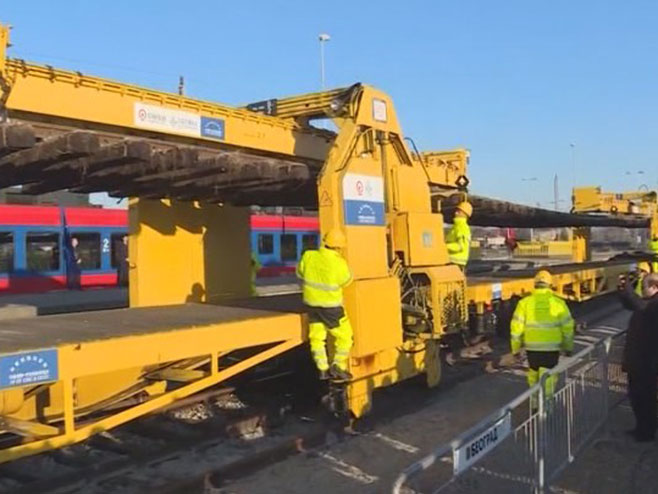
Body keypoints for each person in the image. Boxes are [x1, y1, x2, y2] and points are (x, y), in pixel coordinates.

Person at [510, 270, 575, 409]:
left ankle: (534, 404)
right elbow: (568, 328)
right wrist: (568, 347)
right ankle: (547, 405)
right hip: (551, 349)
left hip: (532, 348)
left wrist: (515, 349)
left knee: (533, 375)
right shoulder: (558, 303)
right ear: (550, 284)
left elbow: (516, 329)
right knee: (549, 377)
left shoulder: (524, 303)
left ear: (535, 284)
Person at [296, 228, 353, 382]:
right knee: (345, 337)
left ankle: (322, 369)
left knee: (316, 337)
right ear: (339, 247)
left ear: (324, 242)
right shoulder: (339, 263)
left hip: (312, 305)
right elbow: (346, 281)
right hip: (331, 308)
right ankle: (338, 366)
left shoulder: (308, 256)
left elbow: (300, 273)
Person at [619, 272, 658, 442]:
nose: (641, 291)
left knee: (644, 398)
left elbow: (638, 305)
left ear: (654, 287)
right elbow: (631, 304)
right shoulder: (650, 303)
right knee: (639, 397)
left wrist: (627, 288)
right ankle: (642, 428)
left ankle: (646, 432)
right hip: (641, 360)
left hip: (647, 362)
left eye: (643, 288)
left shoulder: (654, 304)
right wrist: (624, 289)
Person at [446, 201, 472, 271]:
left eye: (459, 211)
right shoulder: (456, 227)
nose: (456, 213)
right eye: (456, 211)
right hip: (451, 262)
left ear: (465, 214)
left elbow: (461, 246)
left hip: (456, 262)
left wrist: (444, 246)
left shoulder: (462, 227)